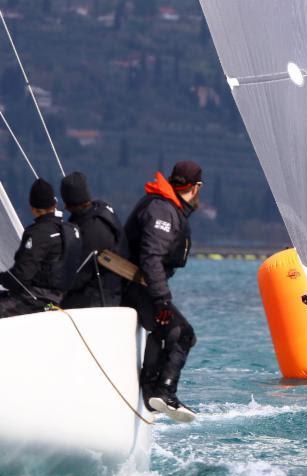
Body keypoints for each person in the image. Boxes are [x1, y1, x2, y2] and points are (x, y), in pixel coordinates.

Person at [122, 161, 203, 422]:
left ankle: (150, 392)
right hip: (134, 284)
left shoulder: (164, 204)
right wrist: (162, 301)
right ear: (196, 187)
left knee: (163, 328)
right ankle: (164, 391)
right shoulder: (162, 209)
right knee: (182, 334)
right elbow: (151, 258)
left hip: (136, 283)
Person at [0, 179, 80, 317]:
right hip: (63, 300)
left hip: (35, 302)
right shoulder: (73, 230)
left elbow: (20, 276)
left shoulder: (37, 233)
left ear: (32, 208)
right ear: (54, 204)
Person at [60, 171, 126, 308]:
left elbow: (79, 275)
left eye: (67, 204)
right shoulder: (102, 209)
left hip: (100, 297)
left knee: (48, 306)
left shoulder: (93, 230)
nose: (65, 208)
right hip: (110, 291)